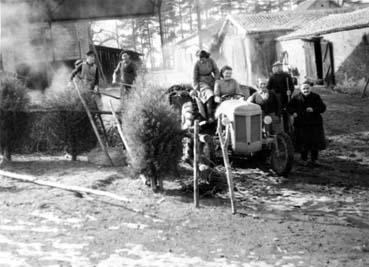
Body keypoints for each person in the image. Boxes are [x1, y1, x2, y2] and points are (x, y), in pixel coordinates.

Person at [287, 81, 326, 166]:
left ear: (310, 88)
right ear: (301, 89)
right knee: (302, 142)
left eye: (307, 88)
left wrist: (313, 109)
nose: (306, 90)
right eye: (304, 88)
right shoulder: (296, 98)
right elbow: (289, 107)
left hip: (314, 124)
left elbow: (323, 108)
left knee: (314, 142)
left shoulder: (316, 97)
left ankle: (314, 159)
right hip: (301, 124)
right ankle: (303, 159)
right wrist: (293, 112)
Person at [192, 50, 220, 122]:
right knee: (209, 94)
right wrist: (196, 87)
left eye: (202, 58)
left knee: (219, 92)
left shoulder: (211, 61)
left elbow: (216, 70)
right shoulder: (197, 64)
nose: (201, 60)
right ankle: (209, 115)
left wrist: (217, 79)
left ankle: (219, 112)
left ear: (206, 57)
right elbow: (194, 77)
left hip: (211, 80)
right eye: (199, 58)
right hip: (201, 82)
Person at [267, 61, 294, 133]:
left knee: (286, 113)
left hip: (285, 97)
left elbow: (291, 86)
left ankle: (287, 129)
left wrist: (290, 91)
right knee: (278, 113)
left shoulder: (287, 75)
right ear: (274, 68)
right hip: (277, 98)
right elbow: (268, 88)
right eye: (277, 67)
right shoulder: (272, 77)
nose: (279, 68)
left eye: (280, 66)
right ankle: (278, 130)